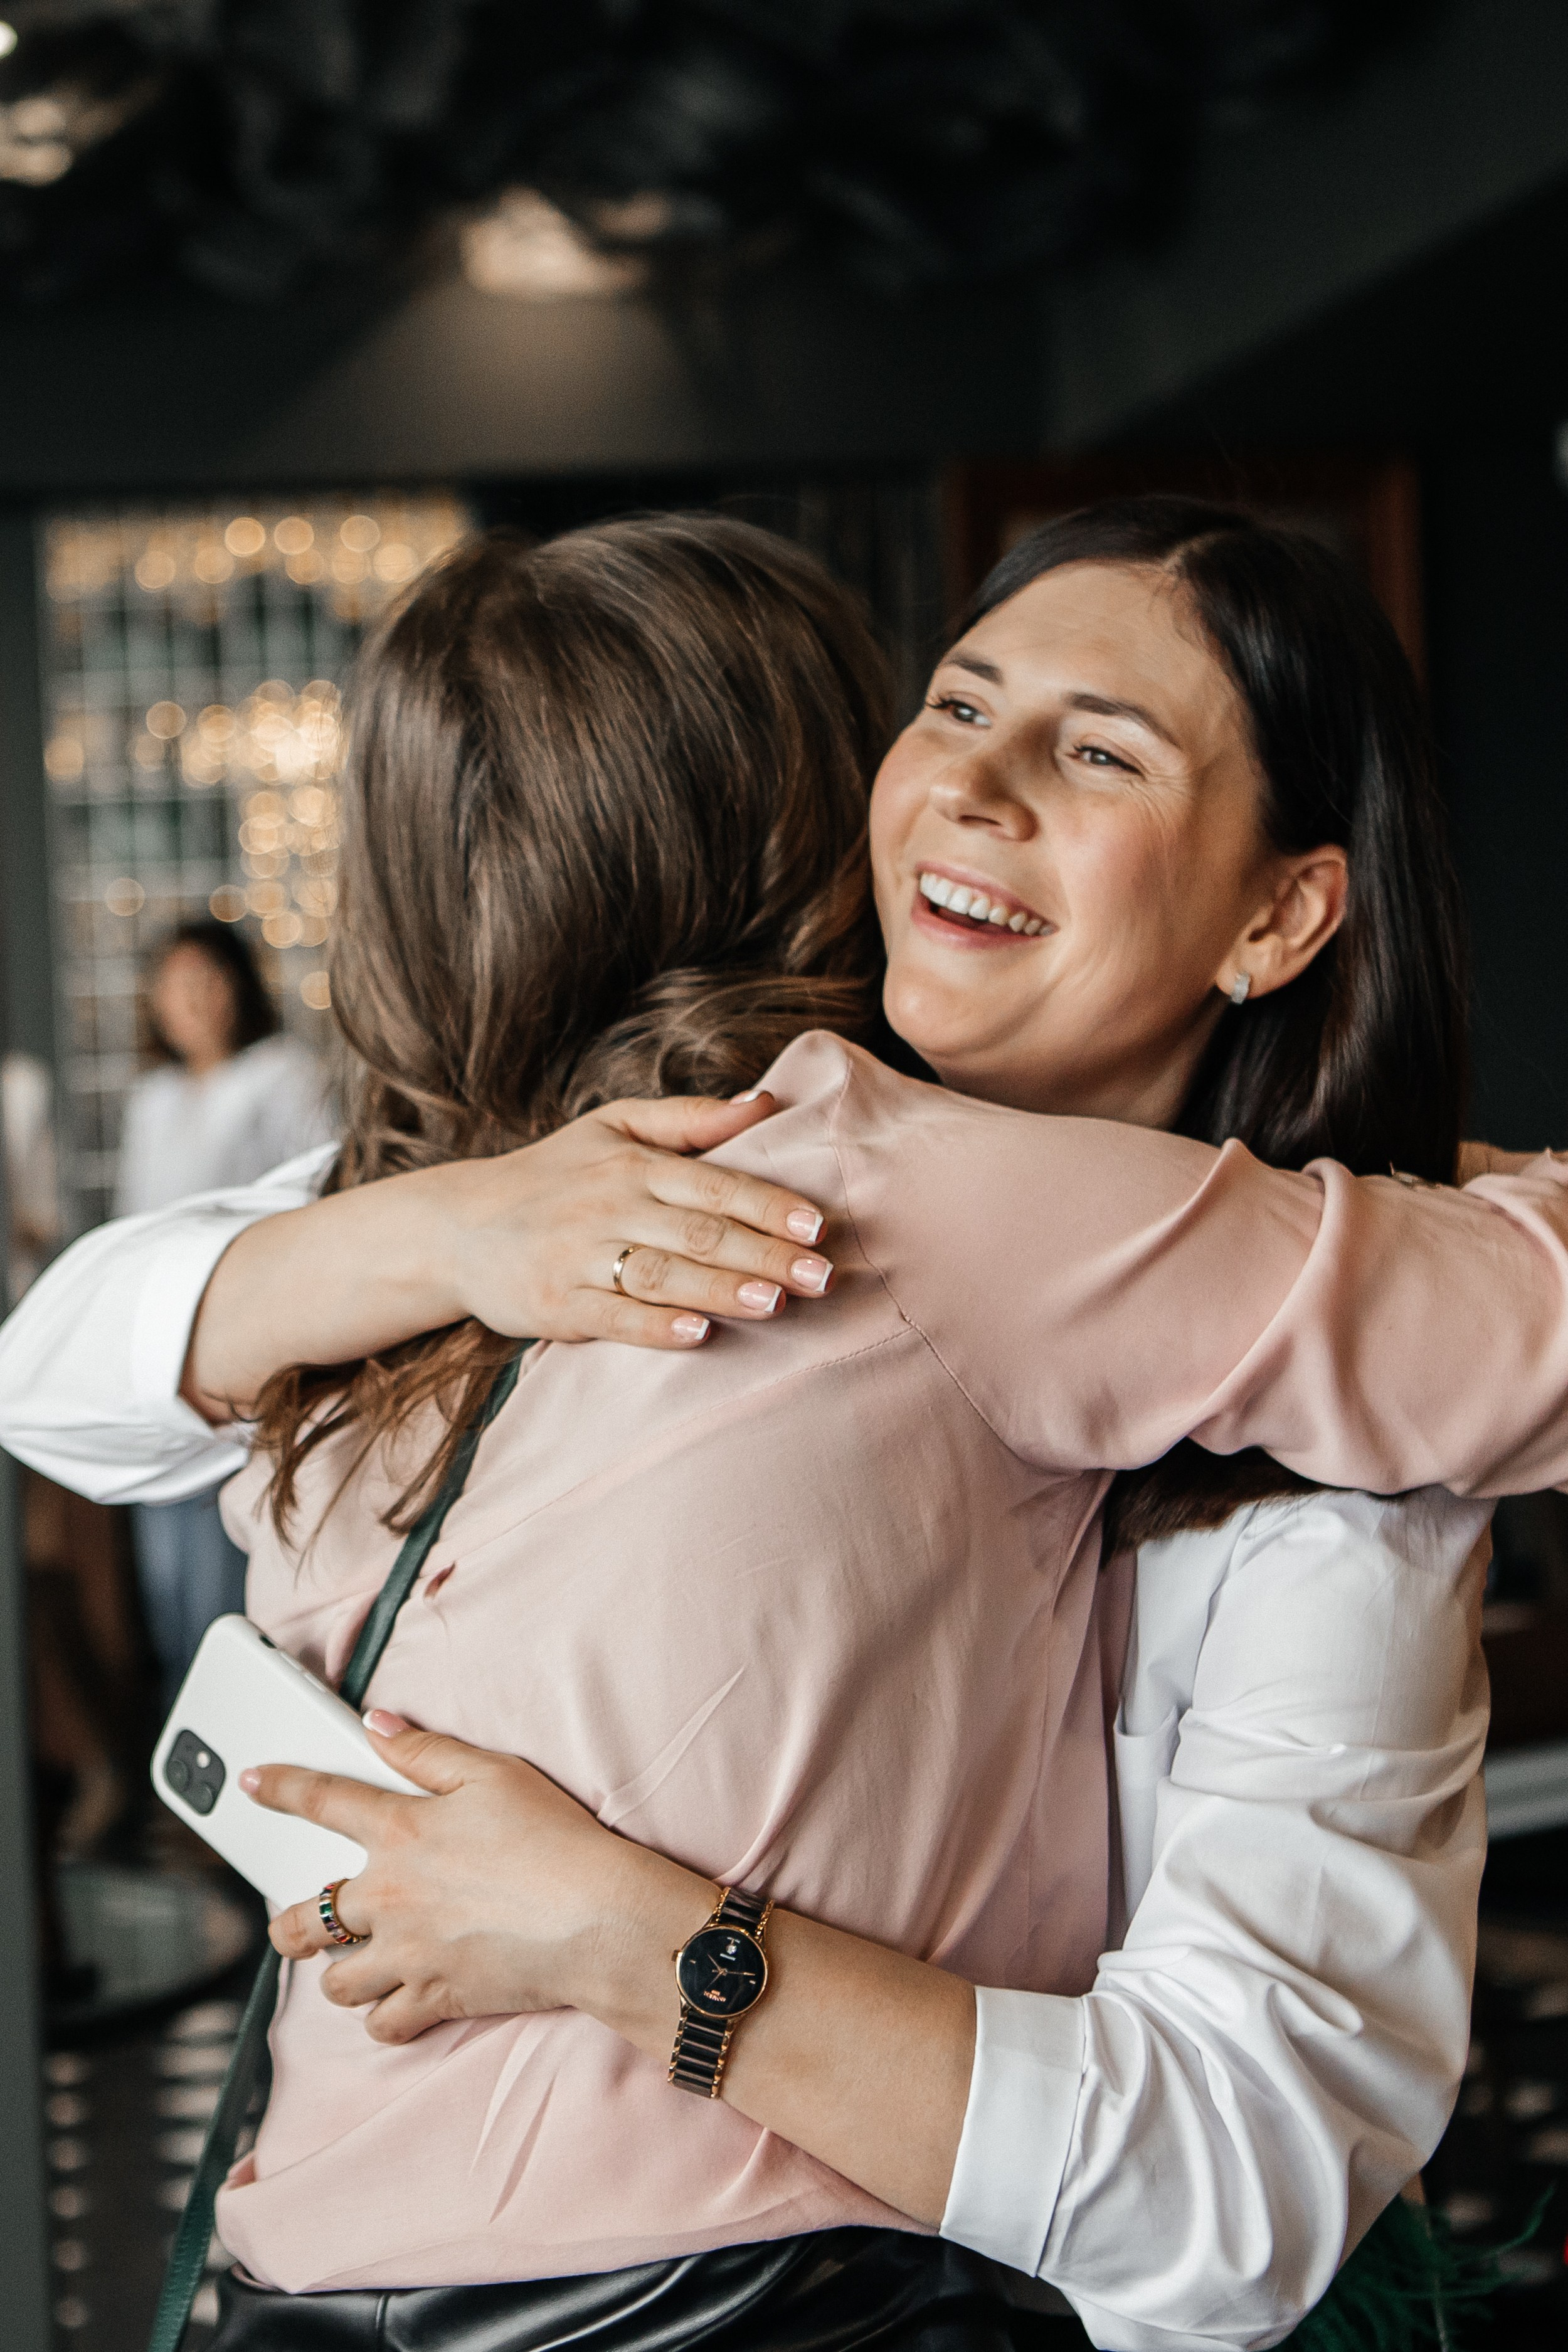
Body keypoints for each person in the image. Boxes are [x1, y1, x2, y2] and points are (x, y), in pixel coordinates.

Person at [0, 507, 1564, 2351]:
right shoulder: (698, 1195)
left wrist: (616, 1928)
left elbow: (1227, 2187)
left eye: (1091, 746)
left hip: (344, 2268)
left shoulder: (495, 1242)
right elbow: (70, 1352)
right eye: (951, 708)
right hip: (716, 2281)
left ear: (1278, 908)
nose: (969, 786)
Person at [117, 919, 334, 1702]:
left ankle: (233, 1751)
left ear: (240, 987)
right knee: (166, 1581)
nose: (192, 1002)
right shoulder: (154, 1099)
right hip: (158, 1352)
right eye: (174, 985)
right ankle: (188, 1757)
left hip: (248, 1347)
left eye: (208, 980)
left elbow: (317, 1199)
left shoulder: (282, 1075)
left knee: (225, 1570)